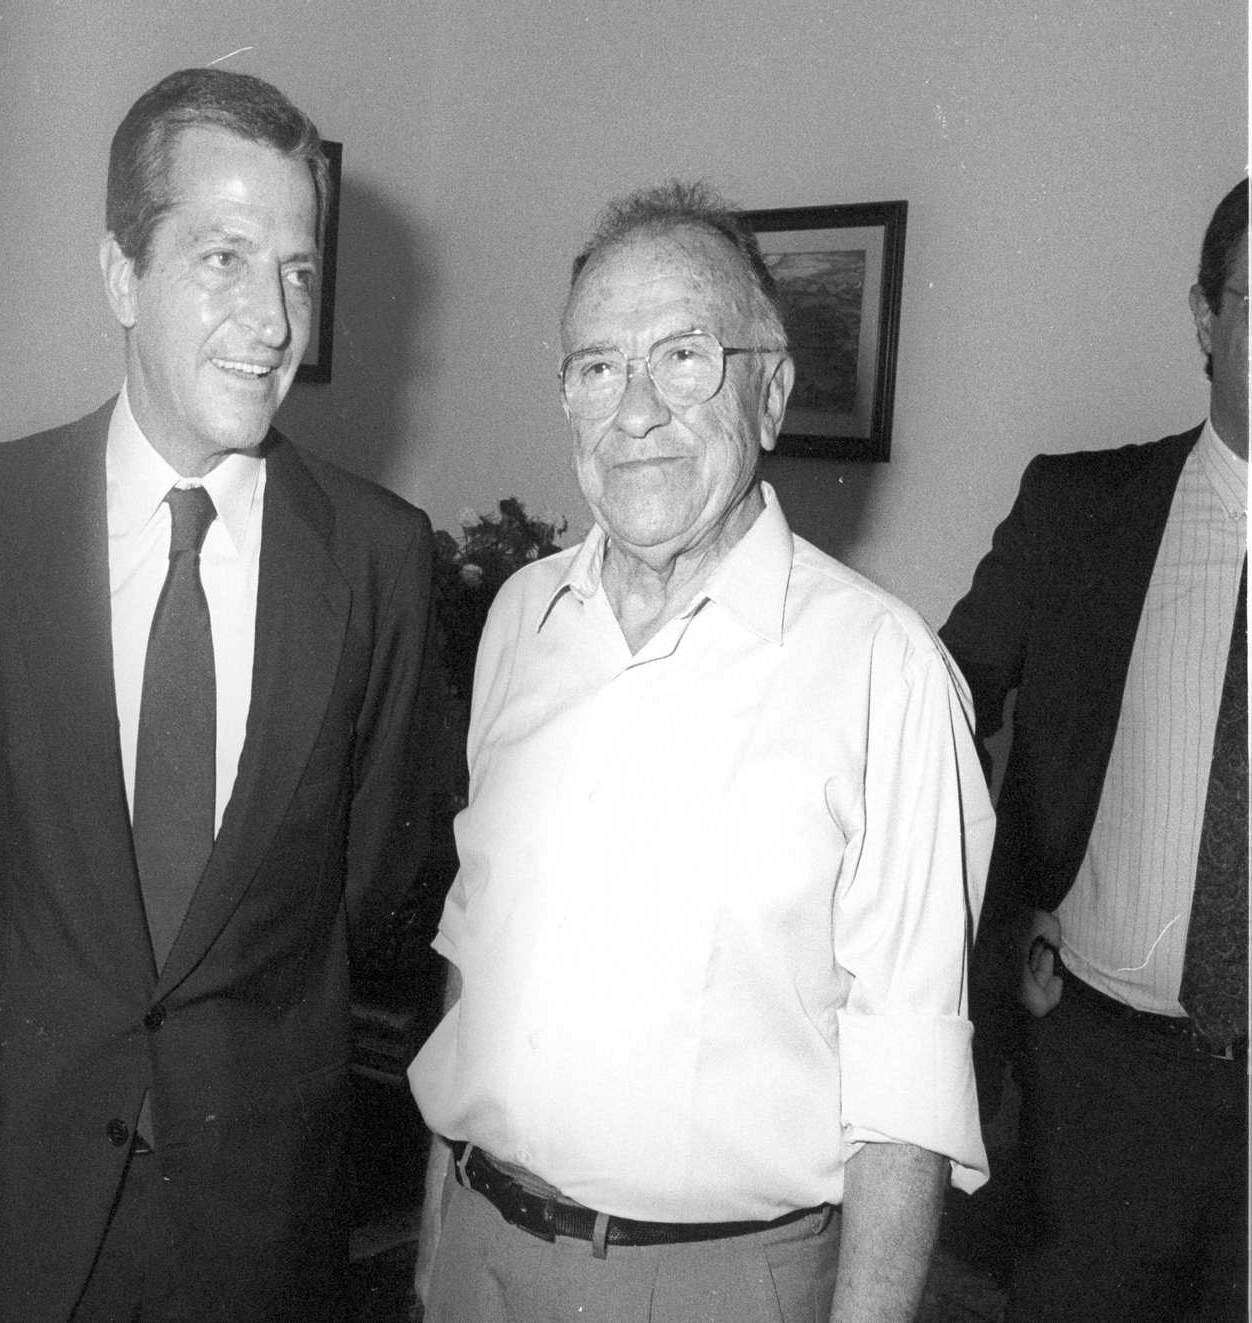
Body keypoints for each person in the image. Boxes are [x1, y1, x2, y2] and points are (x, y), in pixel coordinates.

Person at [0, 67, 434, 1323]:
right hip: (18, 1208)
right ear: (120, 277)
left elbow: (364, 878)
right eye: (223, 258)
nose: (270, 318)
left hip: (257, 1224)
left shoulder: (379, 556)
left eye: (297, 270)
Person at [407, 180, 992, 1323]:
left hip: (717, 1285)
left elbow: (906, 1088)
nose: (634, 411)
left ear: (767, 394)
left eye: (682, 356)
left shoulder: (884, 671)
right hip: (479, 1247)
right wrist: (436, 1251)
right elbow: (474, 969)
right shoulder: (520, 619)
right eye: (595, 366)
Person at [938, 178, 1247, 1323]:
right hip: (1106, 1090)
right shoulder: (1079, 513)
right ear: (1204, 319)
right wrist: (986, 915)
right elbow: (927, 715)